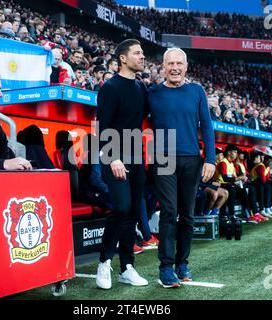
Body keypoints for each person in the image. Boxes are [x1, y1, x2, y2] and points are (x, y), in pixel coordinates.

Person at [148, 48, 215, 288]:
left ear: (186, 67)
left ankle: (182, 263)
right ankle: (165, 267)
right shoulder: (152, 92)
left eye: (179, 63)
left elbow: (206, 126)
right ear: (162, 66)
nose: (174, 68)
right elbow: (135, 120)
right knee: (168, 210)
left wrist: (211, 159)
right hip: (163, 158)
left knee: (187, 214)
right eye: (170, 64)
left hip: (191, 160)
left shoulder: (197, 91)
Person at [95, 39, 149, 290]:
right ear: (123, 58)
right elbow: (103, 126)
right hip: (114, 157)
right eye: (137, 53)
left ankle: (127, 267)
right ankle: (104, 262)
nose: (142, 56)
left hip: (137, 157)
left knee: (133, 213)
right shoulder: (109, 87)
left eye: (143, 53)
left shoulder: (141, 87)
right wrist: (113, 156)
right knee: (121, 207)